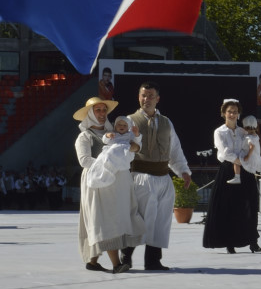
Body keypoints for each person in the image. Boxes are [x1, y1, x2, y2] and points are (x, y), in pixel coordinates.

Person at [123, 82, 193, 271]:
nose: (147, 99)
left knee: (161, 221)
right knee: (139, 219)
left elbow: (175, 150)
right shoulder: (129, 121)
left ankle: (153, 260)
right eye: (143, 95)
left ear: (157, 99)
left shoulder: (166, 122)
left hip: (163, 176)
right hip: (140, 176)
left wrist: (183, 171)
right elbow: (120, 149)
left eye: (150, 96)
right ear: (139, 97)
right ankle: (125, 258)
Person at [74, 96, 143, 273]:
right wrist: (108, 164)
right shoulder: (85, 136)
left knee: (115, 217)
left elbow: (135, 147)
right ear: (90, 113)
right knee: (104, 219)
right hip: (97, 183)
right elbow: (84, 160)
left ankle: (93, 261)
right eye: (98, 110)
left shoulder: (116, 131)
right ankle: (116, 264)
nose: (102, 113)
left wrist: (131, 146)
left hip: (118, 183)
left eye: (104, 110)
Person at [202, 99, 261, 254]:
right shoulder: (219, 132)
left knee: (250, 204)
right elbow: (224, 152)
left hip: (245, 169)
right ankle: (229, 242)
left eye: (235, 111)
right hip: (229, 169)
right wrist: (240, 161)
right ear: (224, 113)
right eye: (229, 111)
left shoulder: (243, 131)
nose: (232, 114)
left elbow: (251, 145)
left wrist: (247, 161)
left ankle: (252, 241)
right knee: (228, 207)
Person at [85, 116, 139, 189]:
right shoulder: (113, 134)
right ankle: (98, 177)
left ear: (128, 127)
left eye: (124, 125)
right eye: (119, 125)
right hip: (110, 153)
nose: (122, 126)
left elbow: (137, 141)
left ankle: (109, 172)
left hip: (124, 152)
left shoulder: (130, 135)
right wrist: (107, 136)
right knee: (100, 159)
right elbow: (105, 140)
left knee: (114, 151)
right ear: (115, 126)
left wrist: (136, 134)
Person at [240, 114, 261, 250]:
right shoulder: (254, 136)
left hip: (247, 167)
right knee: (251, 206)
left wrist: (246, 156)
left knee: (249, 206)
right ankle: (252, 241)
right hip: (250, 169)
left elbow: (251, 148)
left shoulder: (248, 137)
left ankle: (252, 241)